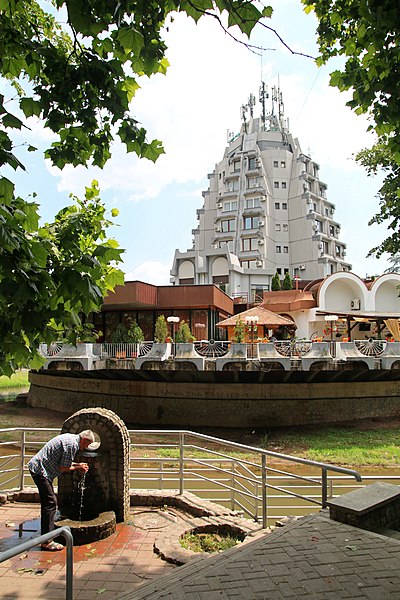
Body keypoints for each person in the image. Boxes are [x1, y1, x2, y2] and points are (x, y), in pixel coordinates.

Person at [28, 430, 95, 550]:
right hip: (40, 471)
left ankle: (46, 534)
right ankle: (47, 541)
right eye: (87, 444)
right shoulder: (72, 445)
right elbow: (63, 467)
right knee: (50, 503)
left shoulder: (70, 439)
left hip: (40, 468)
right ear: (84, 440)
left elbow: (64, 463)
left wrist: (78, 464)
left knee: (48, 503)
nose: (86, 448)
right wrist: (79, 467)